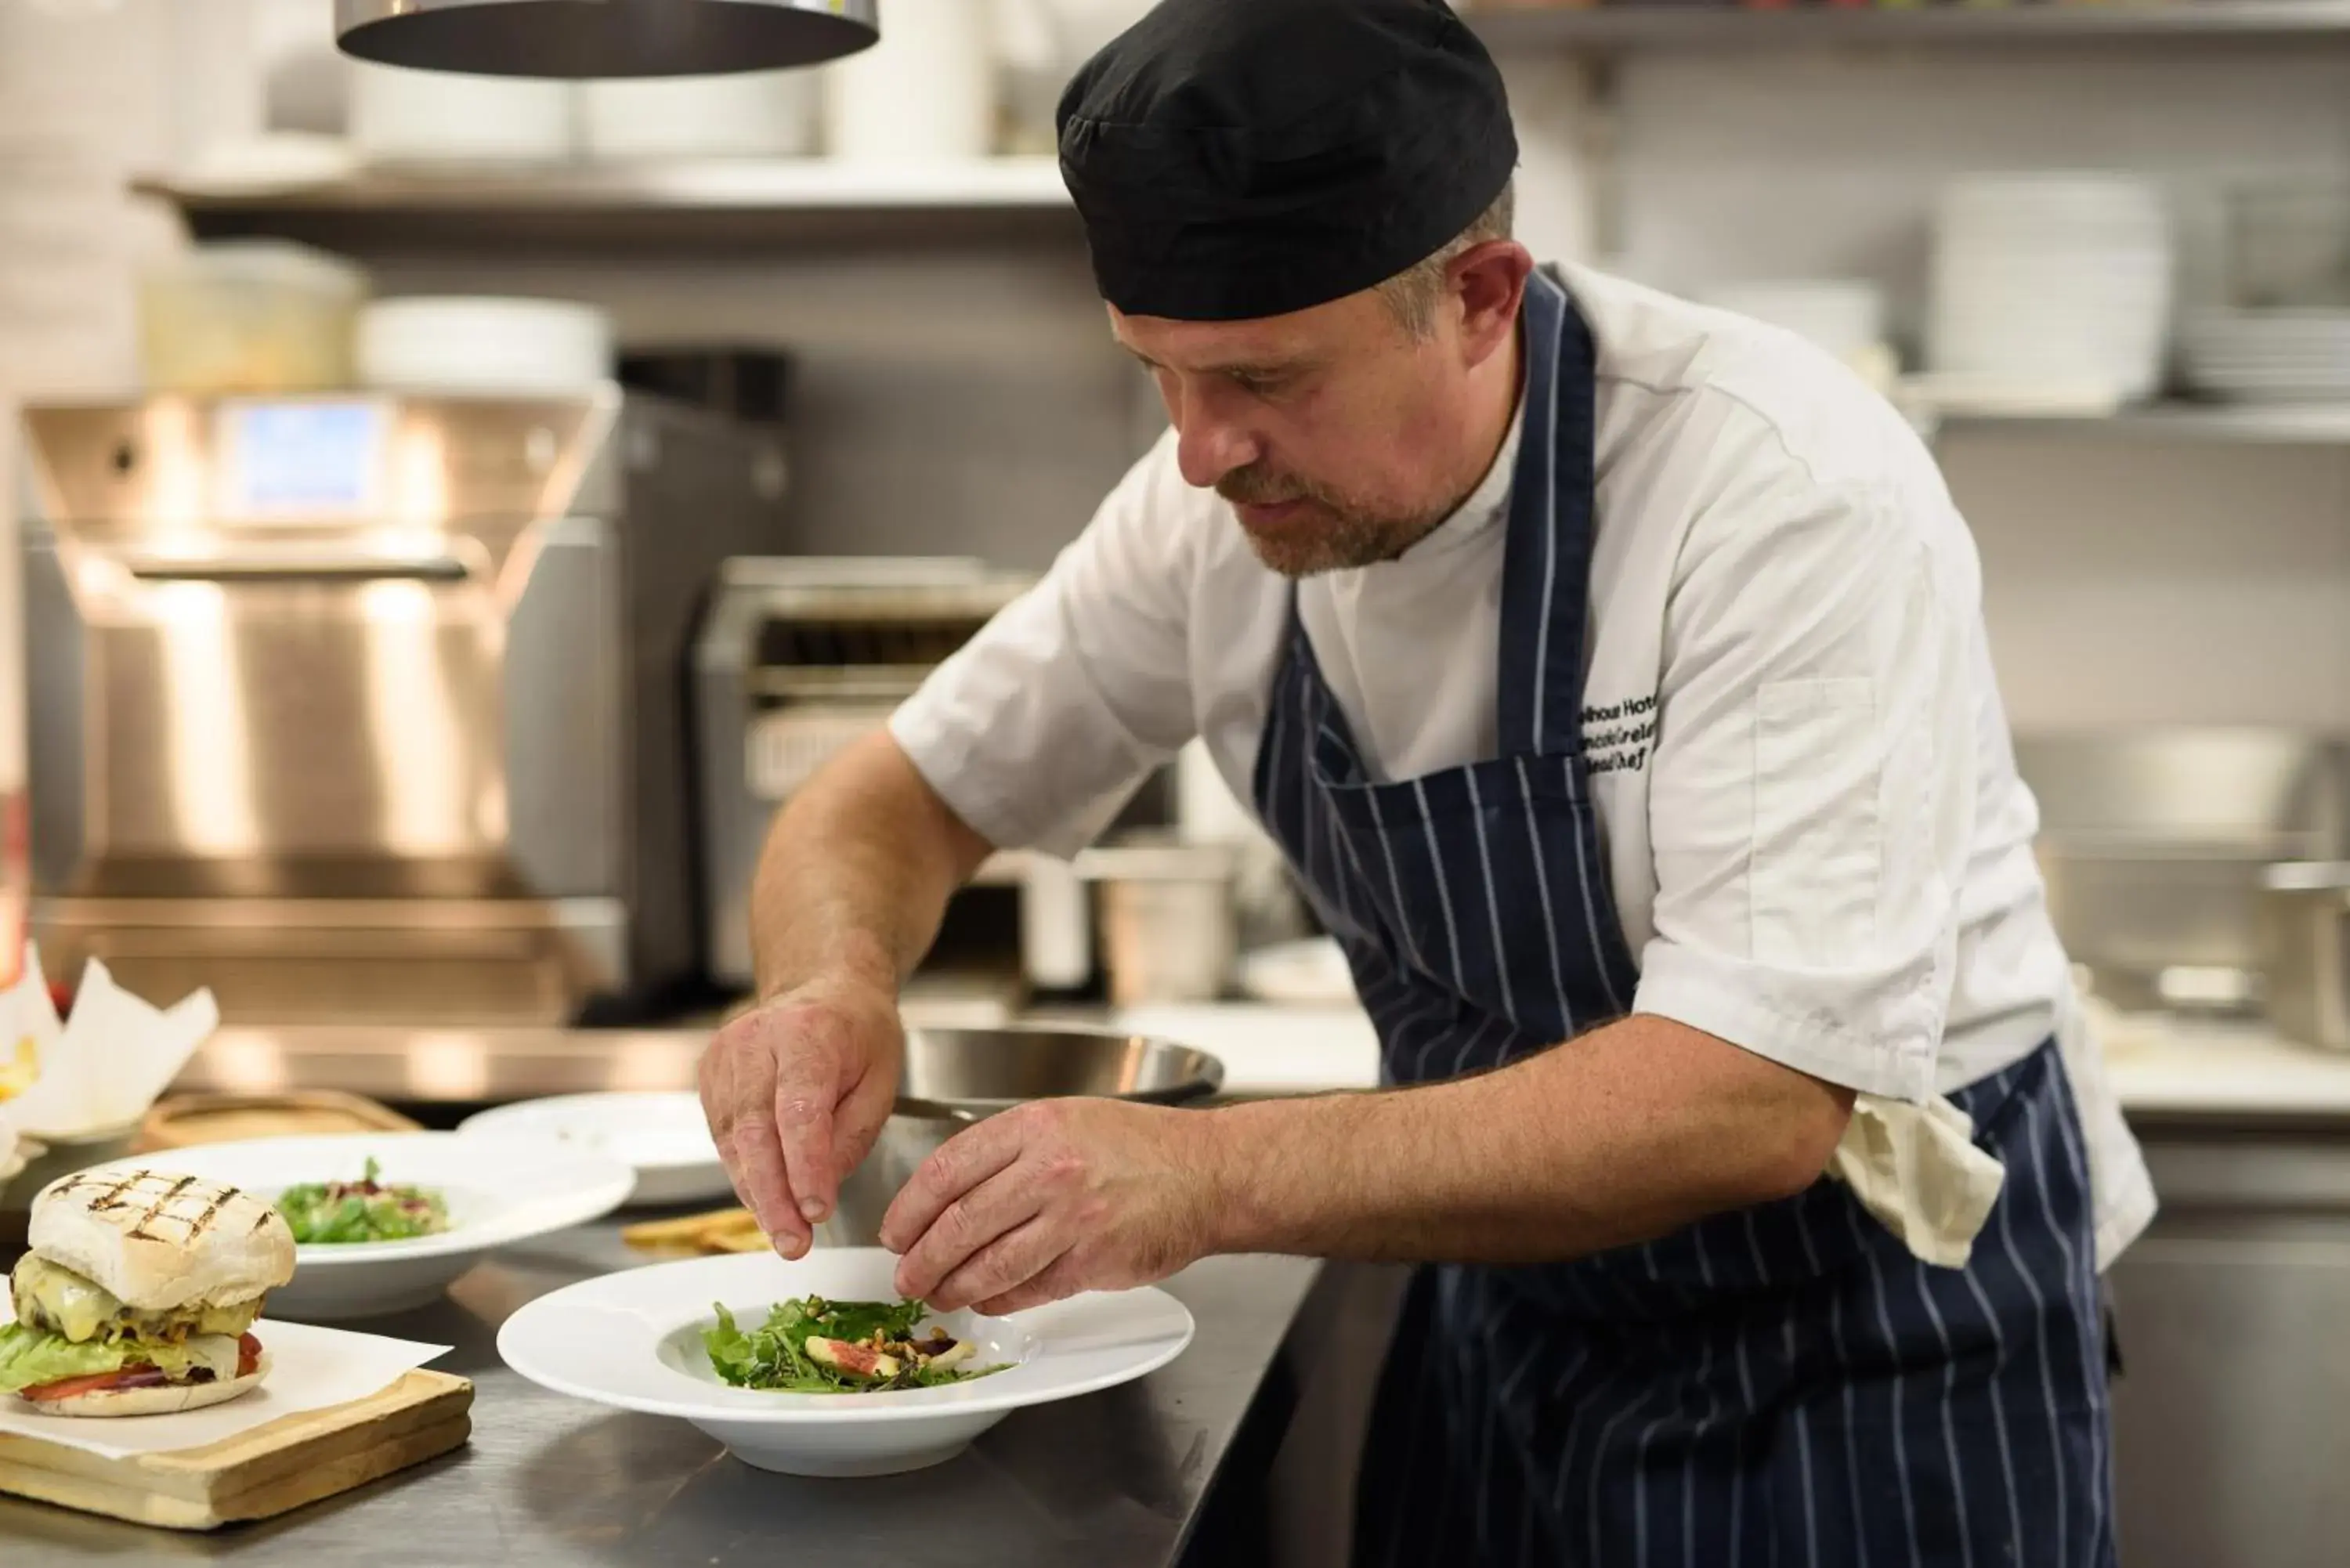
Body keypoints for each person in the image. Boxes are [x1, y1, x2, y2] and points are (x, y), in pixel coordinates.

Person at [698, 1, 2154, 1562]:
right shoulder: (1209, 514)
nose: (1200, 452)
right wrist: (827, 981)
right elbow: (889, 796)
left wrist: (1198, 1177)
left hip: (1858, 1344)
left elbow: (1749, 1098)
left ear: (1477, 295)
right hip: (1517, 1306)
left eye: (1264, 376)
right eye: (1158, 376)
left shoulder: (1778, 489)